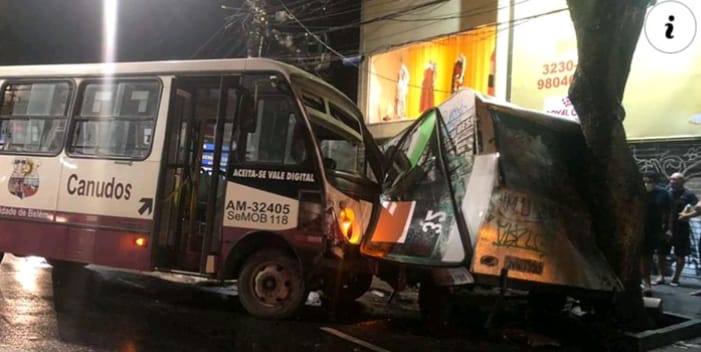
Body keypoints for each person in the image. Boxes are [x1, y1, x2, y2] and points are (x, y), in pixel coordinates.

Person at [655, 172, 698, 286]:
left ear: (682, 181)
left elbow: (697, 208)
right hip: (665, 227)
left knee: (681, 254)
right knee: (661, 253)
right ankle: (661, 276)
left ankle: (676, 278)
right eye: (671, 179)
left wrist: (688, 214)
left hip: (681, 228)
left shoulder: (689, 195)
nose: (671, 181)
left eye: (675, 179)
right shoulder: (665, 193)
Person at [641, 172, 671, 292]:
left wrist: (668, 229)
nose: (647, 184)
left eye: (649, 181)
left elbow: (668, 213)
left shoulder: (663, 193)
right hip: (637, 227)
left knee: (646, 256)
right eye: (645, 181)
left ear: (656, 182)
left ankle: (647, 282)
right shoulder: (638, 191)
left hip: (653, 229)